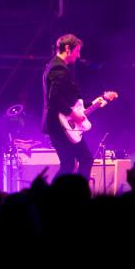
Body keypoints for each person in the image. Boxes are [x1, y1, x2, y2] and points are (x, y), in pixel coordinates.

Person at [41, 34, 95, 178]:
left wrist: (95, 103)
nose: (78, 56)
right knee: (85, 160)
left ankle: (59, 196)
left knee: (68, 164)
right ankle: (78, 196)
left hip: (58, 125)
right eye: (77, 51)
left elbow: (69, 100)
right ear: (67, 48)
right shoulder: (58, 68)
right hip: (60, 125)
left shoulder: (55, 66)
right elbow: (54, 98)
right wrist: (72, 114)